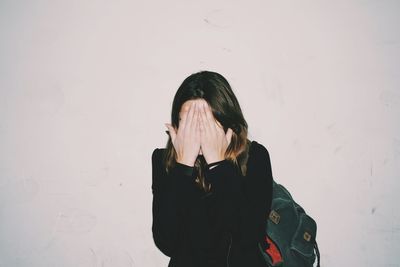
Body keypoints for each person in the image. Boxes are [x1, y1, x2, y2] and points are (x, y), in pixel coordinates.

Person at [151, 70, 273, 267]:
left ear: (227, 123)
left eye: (207, 122)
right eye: (188, 123)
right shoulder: (163, 161)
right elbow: (167, 242)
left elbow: (248, 236)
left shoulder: (255, 156)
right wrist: (183, 167)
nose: (197, 132)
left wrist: (218, 164)